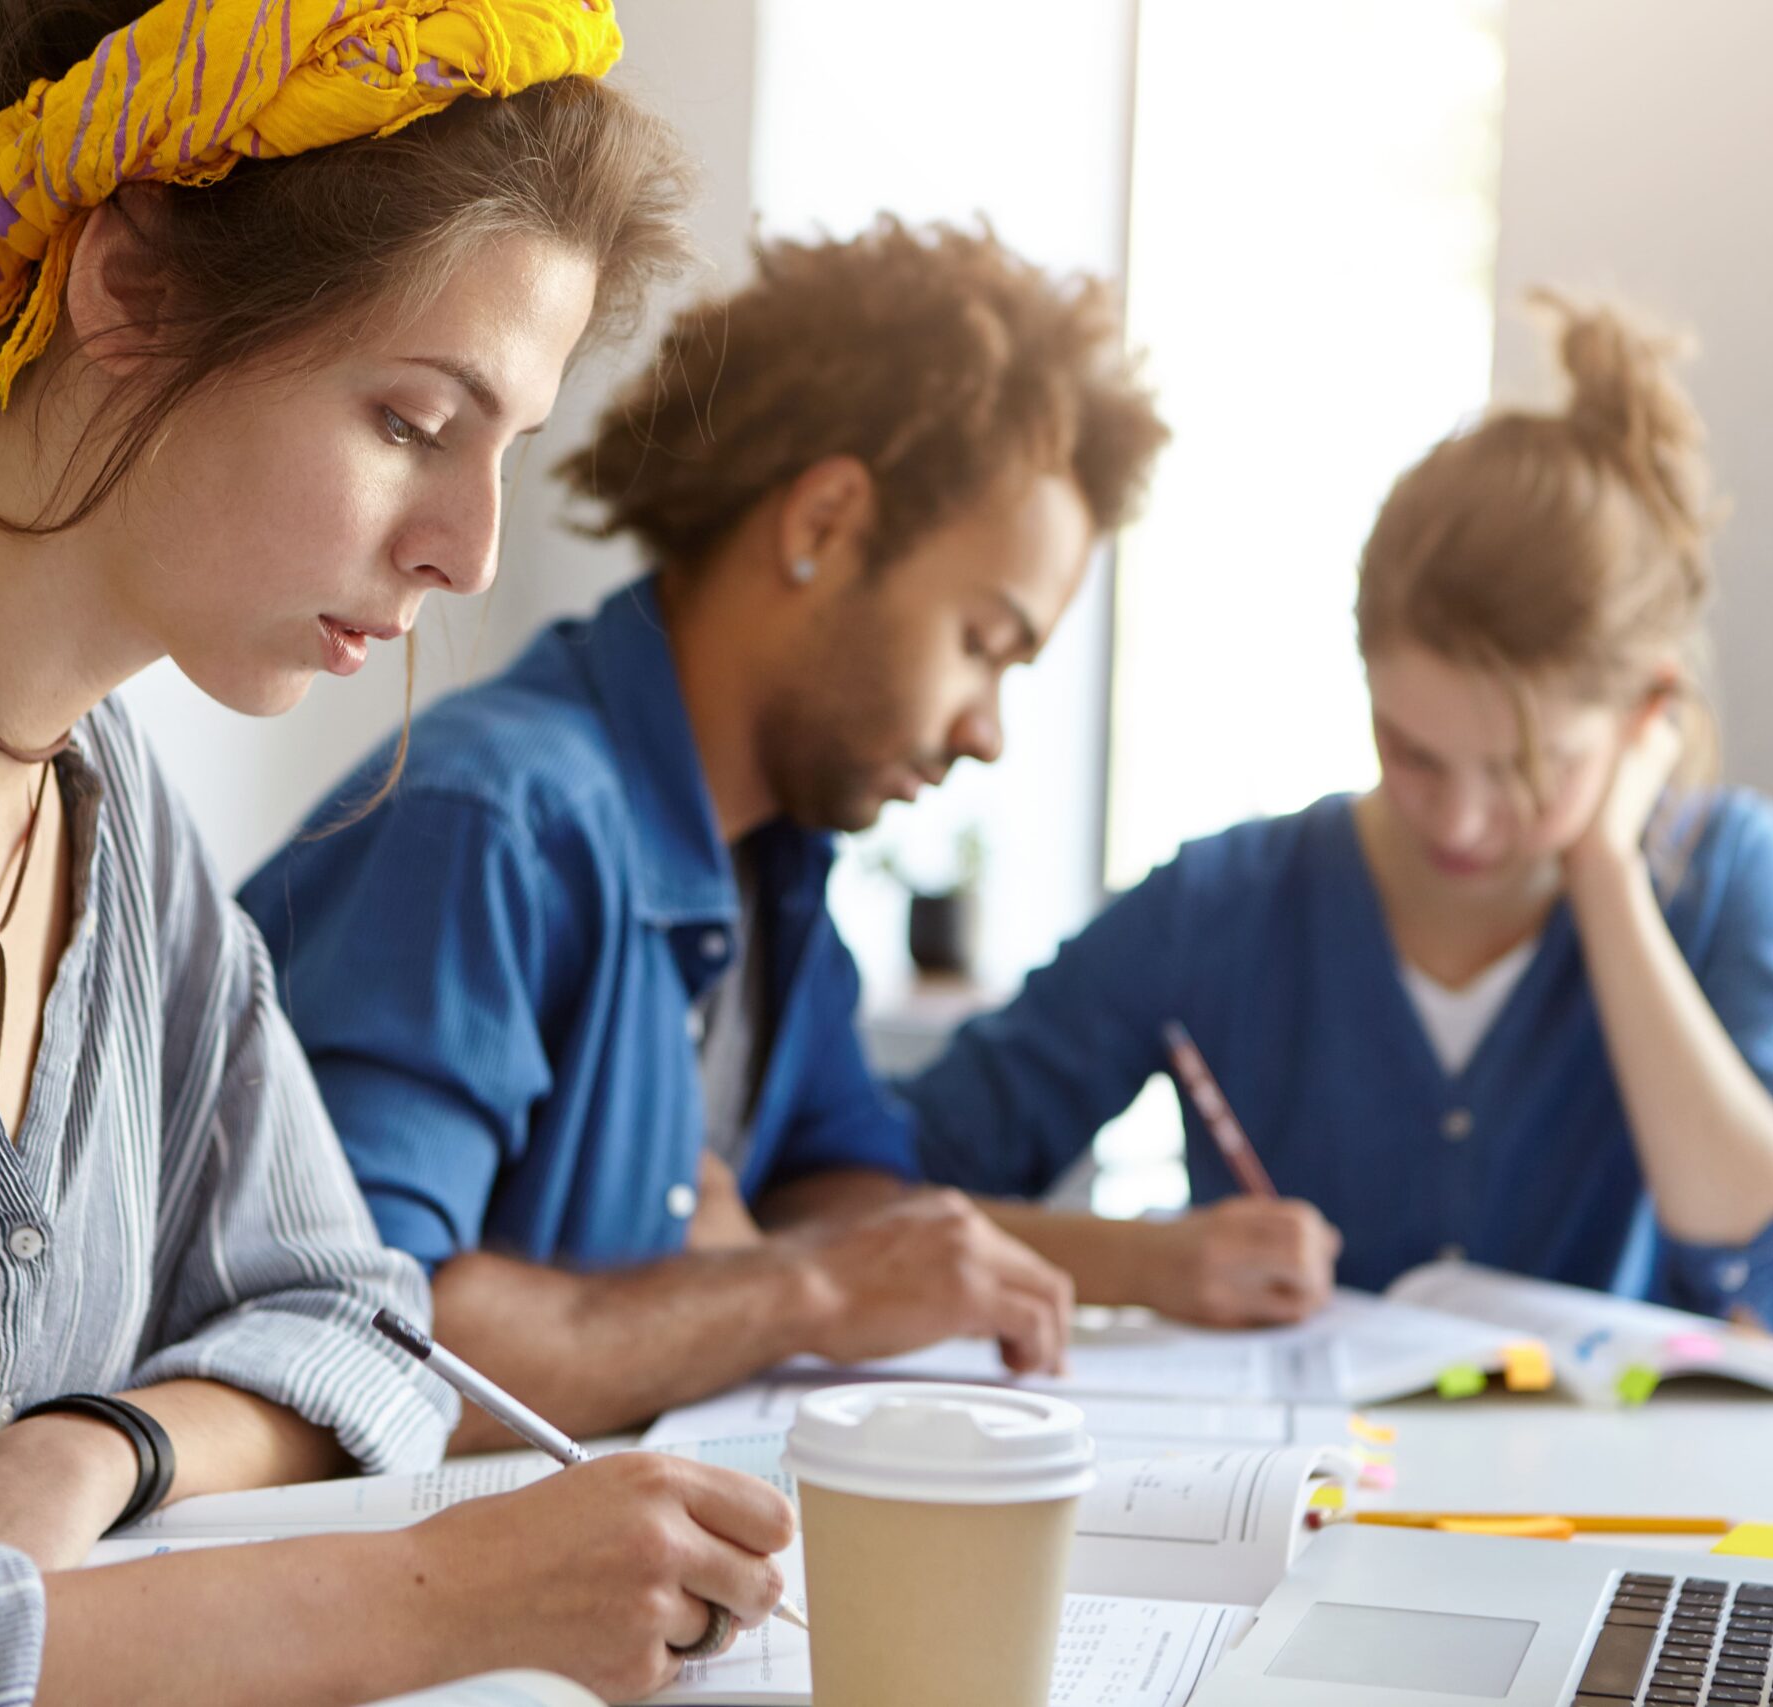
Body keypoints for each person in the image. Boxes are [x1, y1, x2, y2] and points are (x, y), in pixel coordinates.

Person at [0, 5, 799, 1704]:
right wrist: (427, 1595)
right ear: (129, 286)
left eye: (507, 454)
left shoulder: (110, 817)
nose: (469, 553)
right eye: (416, 422)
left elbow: (359, 1318)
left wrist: (89, 1447)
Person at [240, 220, 1187, 1443]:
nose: (986, 731)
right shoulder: (494, 825)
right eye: (981, 644)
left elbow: (844, 1199)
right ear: (824, 523)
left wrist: (776, 1260)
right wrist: (789, 1288)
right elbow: (370, 1347)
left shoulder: (774, 861)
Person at [904, 292, 1773, 1343]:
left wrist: (1605, 874)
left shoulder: (1722, 878)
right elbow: (884, 1180)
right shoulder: (1224, 903)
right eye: (1412, 752)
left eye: (1526, 769)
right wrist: (1140, 1261)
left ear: (1646, 716)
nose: (1462, 823)